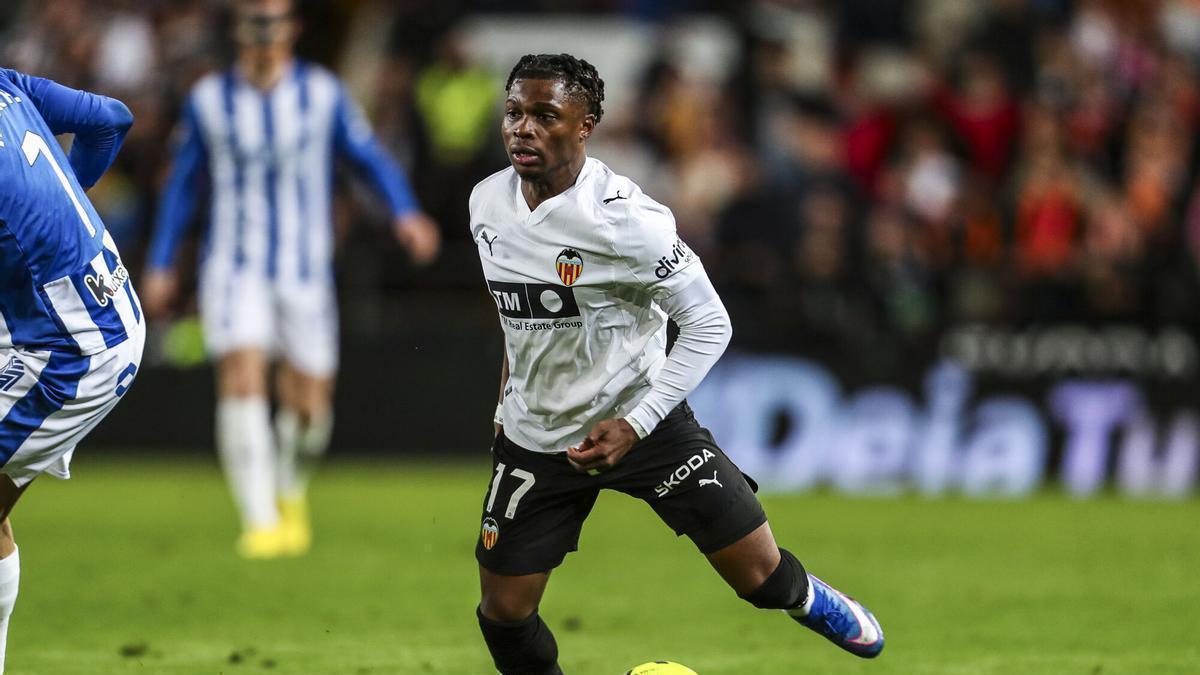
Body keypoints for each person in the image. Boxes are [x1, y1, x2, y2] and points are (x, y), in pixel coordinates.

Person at [470, 54, 885, 674]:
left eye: (544, 115)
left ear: (584, 127)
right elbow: (520, 316)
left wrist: (635, 423)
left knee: (759, 577)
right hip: (538, 437)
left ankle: (810, 600)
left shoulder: (626, 221)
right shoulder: (486, 202)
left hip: (644, 424)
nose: (522, 128)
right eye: (514, 113)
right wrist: (507, 403)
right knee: (503, 613)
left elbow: (710, 323)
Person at [142, 0, 440, 559]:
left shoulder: (322, 94)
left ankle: (287, 489)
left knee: (310, 410)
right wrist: (161, 261)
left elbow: (368, 158)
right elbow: (183, 185)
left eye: (271, 20)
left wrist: (404, 212)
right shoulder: (209, 100)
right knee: (241, 377)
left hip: (305, 272)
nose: (262, 31)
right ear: (237, 29)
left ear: (292, 29)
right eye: (252, 20)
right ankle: (259, 520)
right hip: (233, 267)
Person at [0, 67, 143, 673]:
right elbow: (110, 118)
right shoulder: (6, 84)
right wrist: (66, 197)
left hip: (67, 348)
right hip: (107, 307)